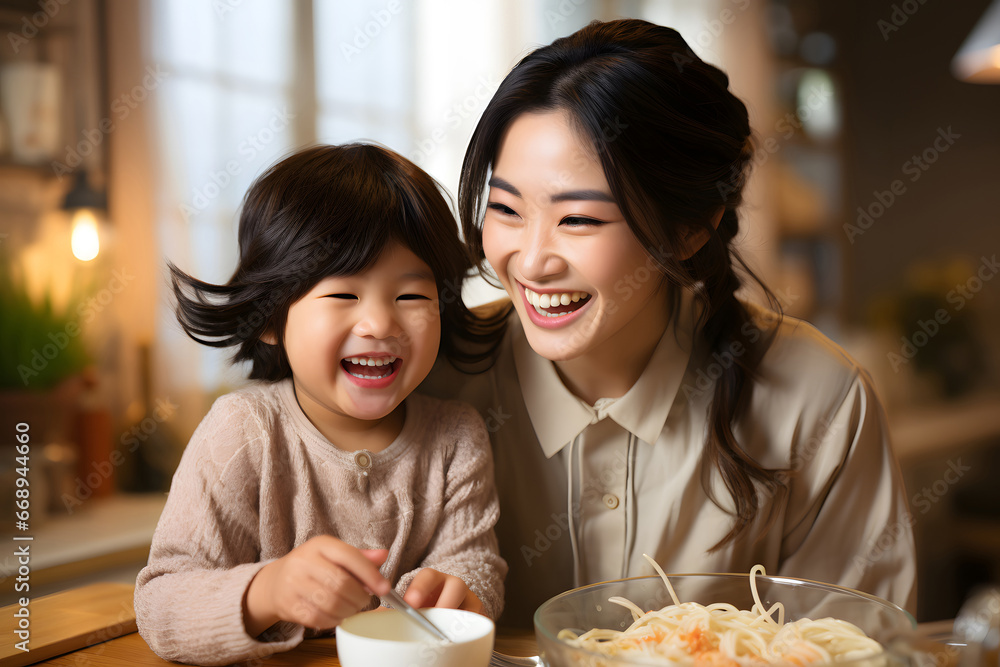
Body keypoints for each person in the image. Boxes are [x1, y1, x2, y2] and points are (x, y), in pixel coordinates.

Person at [421, 18, 916, 624]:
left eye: (578, 220)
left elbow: (860, 650)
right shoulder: (430, 379)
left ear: (690, 226)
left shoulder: (820, 400)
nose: (530, 260)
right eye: (505, 209)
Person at [135, 144, 507, 665]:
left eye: (411, 297)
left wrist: (462, 596)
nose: (379, 324)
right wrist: (268, 591)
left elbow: (474, 564)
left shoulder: (456, 437)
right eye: (342, 296)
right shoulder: (243, 432)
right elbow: (160, 604)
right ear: (269, 317)